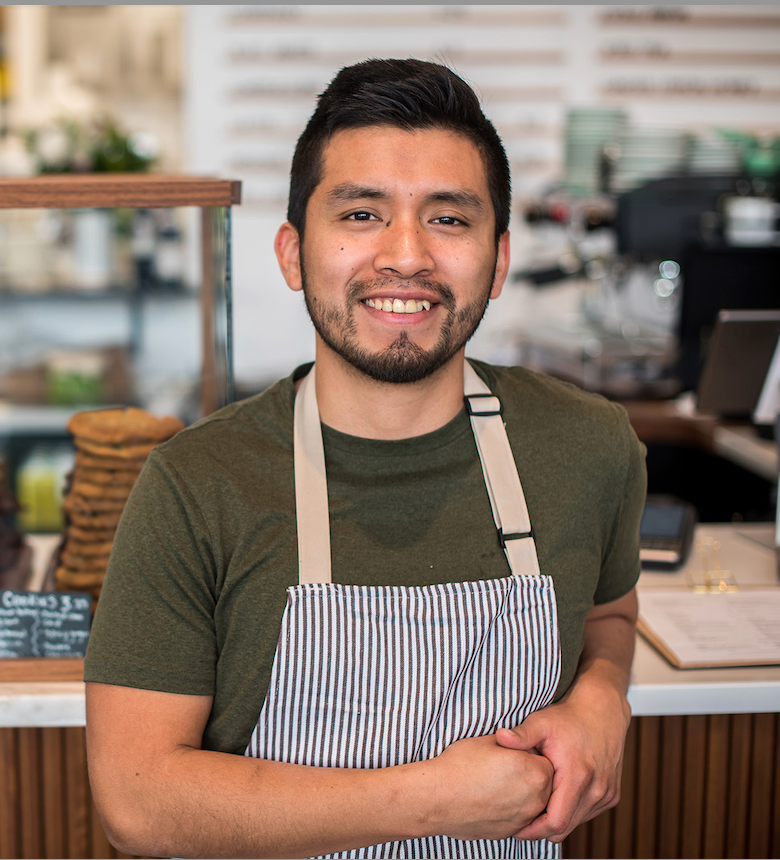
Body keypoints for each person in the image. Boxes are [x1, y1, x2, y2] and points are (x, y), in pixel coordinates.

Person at [84, 58, 646, 860]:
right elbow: (138, 803)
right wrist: (428, 803)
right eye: (360, 214)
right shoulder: (196, 484)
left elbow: (609, 616)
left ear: (500, 259)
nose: (407, 256)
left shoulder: (589, 445)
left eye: (449, 219)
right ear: (291, 252)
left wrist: (602, 700)